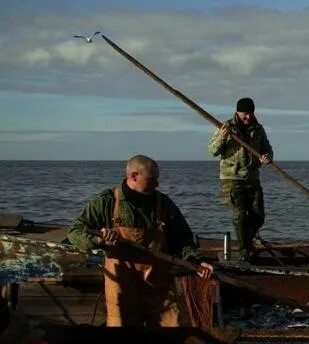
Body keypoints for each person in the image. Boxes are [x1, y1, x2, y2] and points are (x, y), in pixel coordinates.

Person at [68, 155, 214, 327]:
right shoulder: (106, 202)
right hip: (121, 285)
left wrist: (196, 261)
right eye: (152, 179)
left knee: (171, 329)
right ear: (133, 176)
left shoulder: (164, 204)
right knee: (121, 330)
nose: (157, 184)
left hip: (158, 285)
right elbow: (75, 232)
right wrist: (98, 240)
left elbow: (183, 238)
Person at [208, 97, 274, 262]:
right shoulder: (226, 127)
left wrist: (267, 157)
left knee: (259, 215)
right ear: (238, 112)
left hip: (252, 178)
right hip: (232, 178)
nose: (248, 117)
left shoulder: (258, 129)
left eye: (251, 113)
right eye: (245, 114)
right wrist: (222, 138)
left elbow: (267, 148)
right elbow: (212, 151)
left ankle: (245, 242)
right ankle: (245, 251)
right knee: (240, 216)